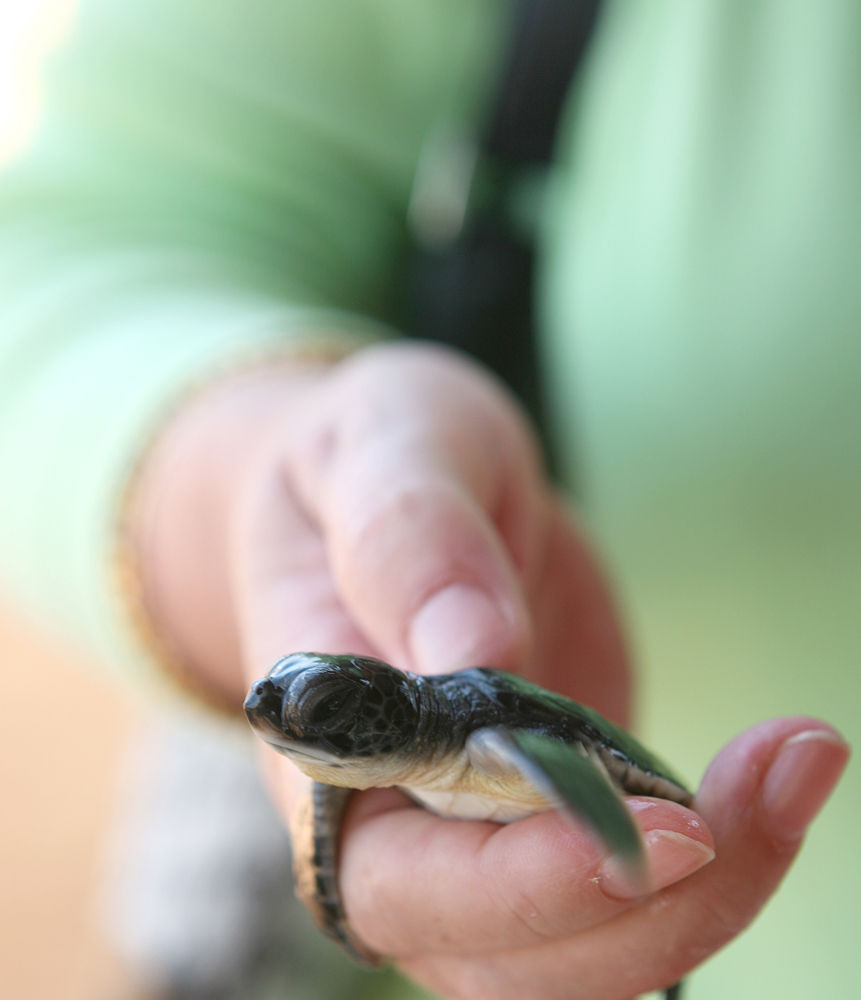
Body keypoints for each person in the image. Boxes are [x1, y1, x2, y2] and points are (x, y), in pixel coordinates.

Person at [0, 2, 855, 998]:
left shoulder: (474, 729)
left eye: (317, 709)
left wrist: (616, 836)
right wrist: (254, 473)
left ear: (375, 714)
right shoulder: (376, 746)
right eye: (290, 707)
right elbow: (101, 223)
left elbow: (571, 777)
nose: (280, 720)